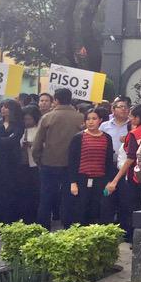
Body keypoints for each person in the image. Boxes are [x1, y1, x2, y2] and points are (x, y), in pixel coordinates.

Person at [32, 88, 85, 229]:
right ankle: (68, 227)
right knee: (69, 197)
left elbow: (37, 143)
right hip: (72, 164)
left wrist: (39, 159)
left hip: (49, 162)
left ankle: (43, 228)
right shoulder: (80, 118)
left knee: (46, 197)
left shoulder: (47, 117)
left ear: (55, 100)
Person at [105, 105, 141, 242]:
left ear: (138, 118)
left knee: (132, 208)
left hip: (134, 176)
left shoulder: (134, 134)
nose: (130, 119)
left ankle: (133, 237)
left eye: (132, 116)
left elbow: (130, 159)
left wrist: (115, 180)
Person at [67, 109, 115, 226]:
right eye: (88, 119)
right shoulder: (78, 137)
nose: (91, 122)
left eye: (94, 119)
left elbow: (109, 161)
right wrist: (73, 182)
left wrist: (110, 181)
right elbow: (72, 161)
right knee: (81, 210)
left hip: (101, 180)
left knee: (98, 209)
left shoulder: (107, 138)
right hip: (82, 179)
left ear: (100, 120)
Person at [0, 100, 25, 228]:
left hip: (11, 162)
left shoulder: (18, 124)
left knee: (9, 192)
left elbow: (12, 140)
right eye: (2, 106)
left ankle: (8, 222)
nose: (3, 109)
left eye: (6, 107)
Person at [17, 105, 43, 223]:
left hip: (35, 165)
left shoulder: (40, 130)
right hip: (23, 164)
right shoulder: (22, 130)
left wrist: (32, 145)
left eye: (29, 119)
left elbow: (43, 146)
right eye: (25, 119)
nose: (27, 122)